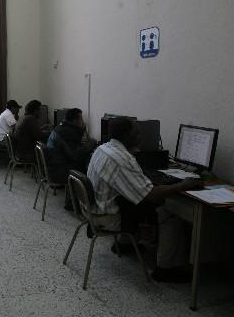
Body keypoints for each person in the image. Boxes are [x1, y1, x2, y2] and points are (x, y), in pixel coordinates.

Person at [86, 117, 202, 283]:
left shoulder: (103, 148)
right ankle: (165, 269)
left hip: (94, 208)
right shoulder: (121, 159)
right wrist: (182, 185)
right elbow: (151, 194)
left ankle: (124, 243)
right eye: (136, 132)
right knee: (168, 211)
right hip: (106, 218)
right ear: (127, 136)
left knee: (131, 197)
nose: (140, 136)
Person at [46, 108, 97, 184]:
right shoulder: (69, 132)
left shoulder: (61, 127)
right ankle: (84, 193)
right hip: (60, 172)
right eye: (81, 119)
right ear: (75, 121)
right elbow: (75, 156)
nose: (83, 121)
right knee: (89, 164)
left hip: (54, 167)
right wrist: (93, 142)